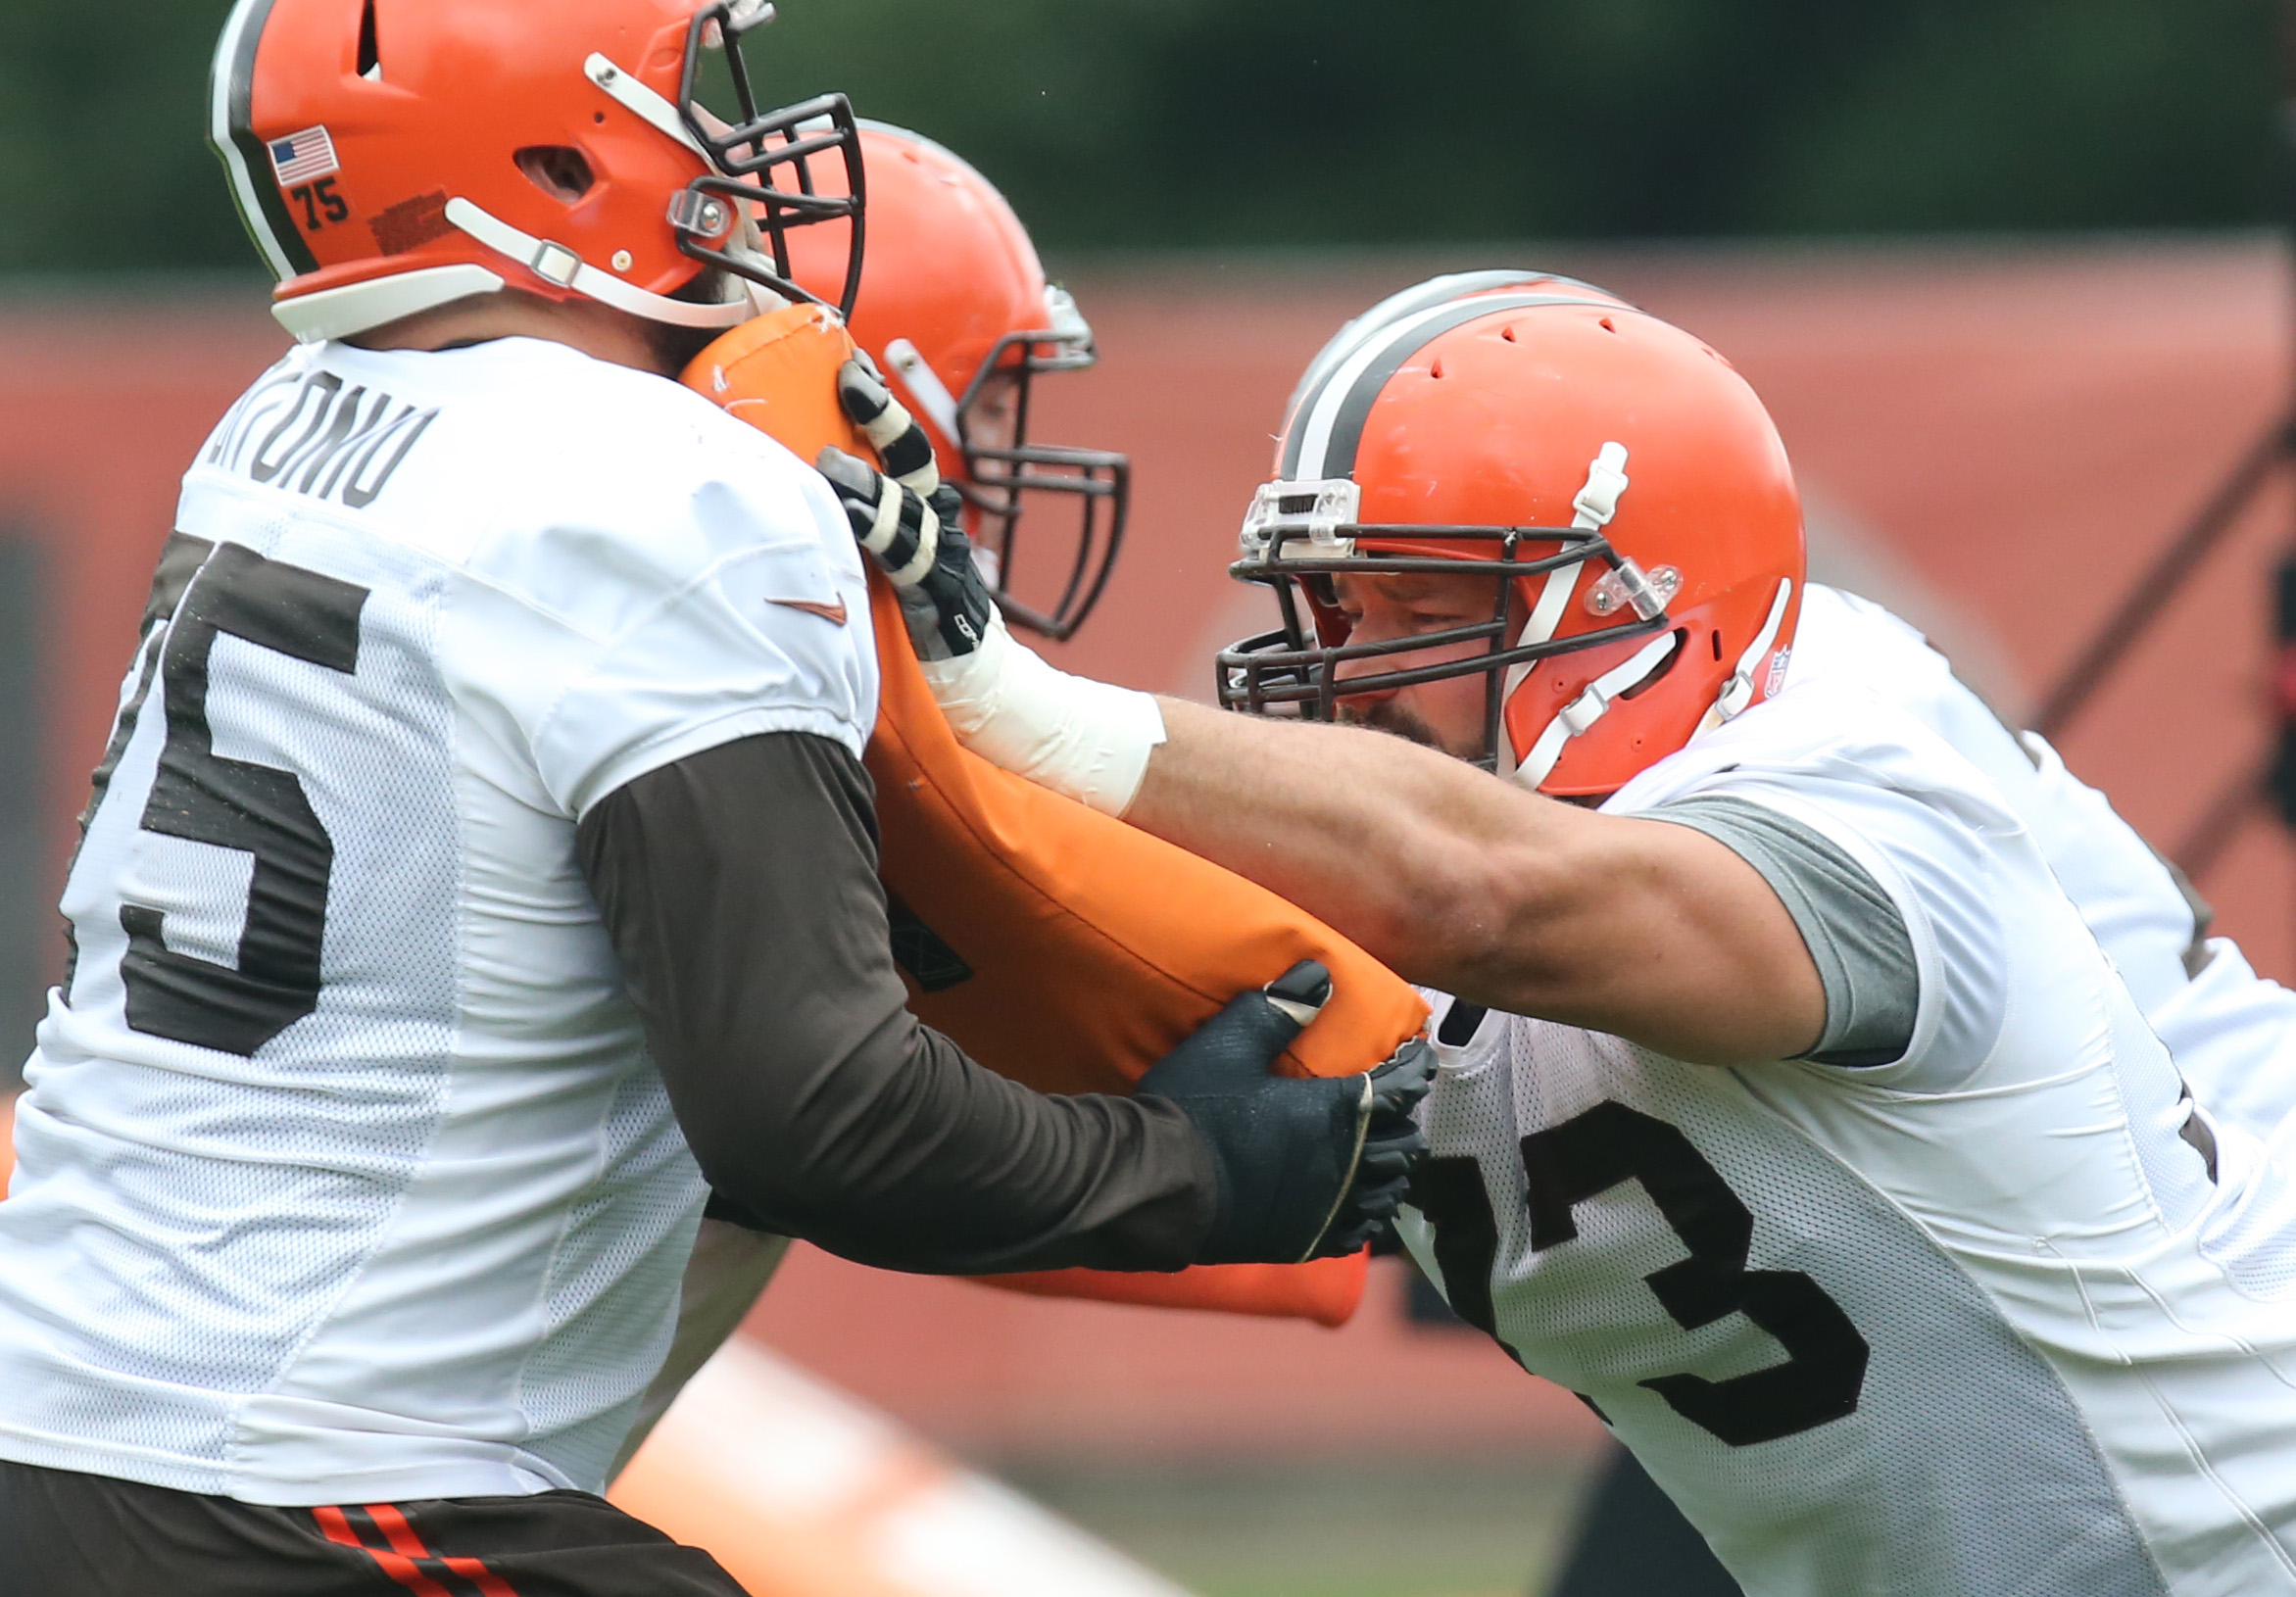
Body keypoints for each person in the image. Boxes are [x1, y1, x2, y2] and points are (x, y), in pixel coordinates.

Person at [0, 4, 1427, 1593]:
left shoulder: (285, 421)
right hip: (307, 1483)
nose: (736, 163)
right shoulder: (669, 490)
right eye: (688, 98)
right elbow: (821, 1114)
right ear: (551, 151)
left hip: (76, 1424)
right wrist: (1206, 1169)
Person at [819, 269, 2296, 1592]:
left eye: (1415, 608)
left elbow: (1496, 896)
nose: (1355, 677)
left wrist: (1014, 712)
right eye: (1333, 612)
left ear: (1640, 605)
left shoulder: (1847, 770)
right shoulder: (1416, 857)